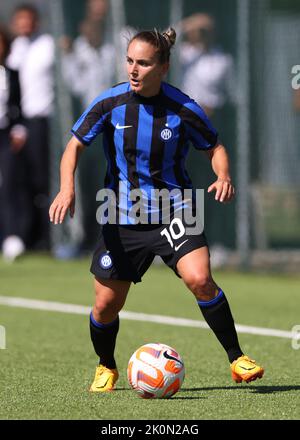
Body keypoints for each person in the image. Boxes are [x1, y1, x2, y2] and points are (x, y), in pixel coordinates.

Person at [49, 28, 264, 392]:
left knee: (200, 279)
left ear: (163, 67)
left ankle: (237, 358)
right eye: (130, 61)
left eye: (144, 63)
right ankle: (106, 366)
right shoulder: (109, 103)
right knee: (104, 307)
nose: (134, 69)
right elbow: (74, 147)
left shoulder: (183, 107)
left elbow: (215, 147)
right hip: (122, 215)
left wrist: (224, 174)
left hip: (174, 209)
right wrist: (67, 188)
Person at [7, 4, 55, 251]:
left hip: (44, 120)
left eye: (28, 20)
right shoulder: (15, 48)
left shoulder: (48, 44)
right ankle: (29, 236)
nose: (24, 24)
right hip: (21, 123)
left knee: (43, 180)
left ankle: (50, 237)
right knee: (21, 181)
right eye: (20, 20)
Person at [0, 25, 27, 261]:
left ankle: (12, 237)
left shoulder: (11, 73)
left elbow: (18, 106)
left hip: (6, 135)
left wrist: (19, 129)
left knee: (9, 186)